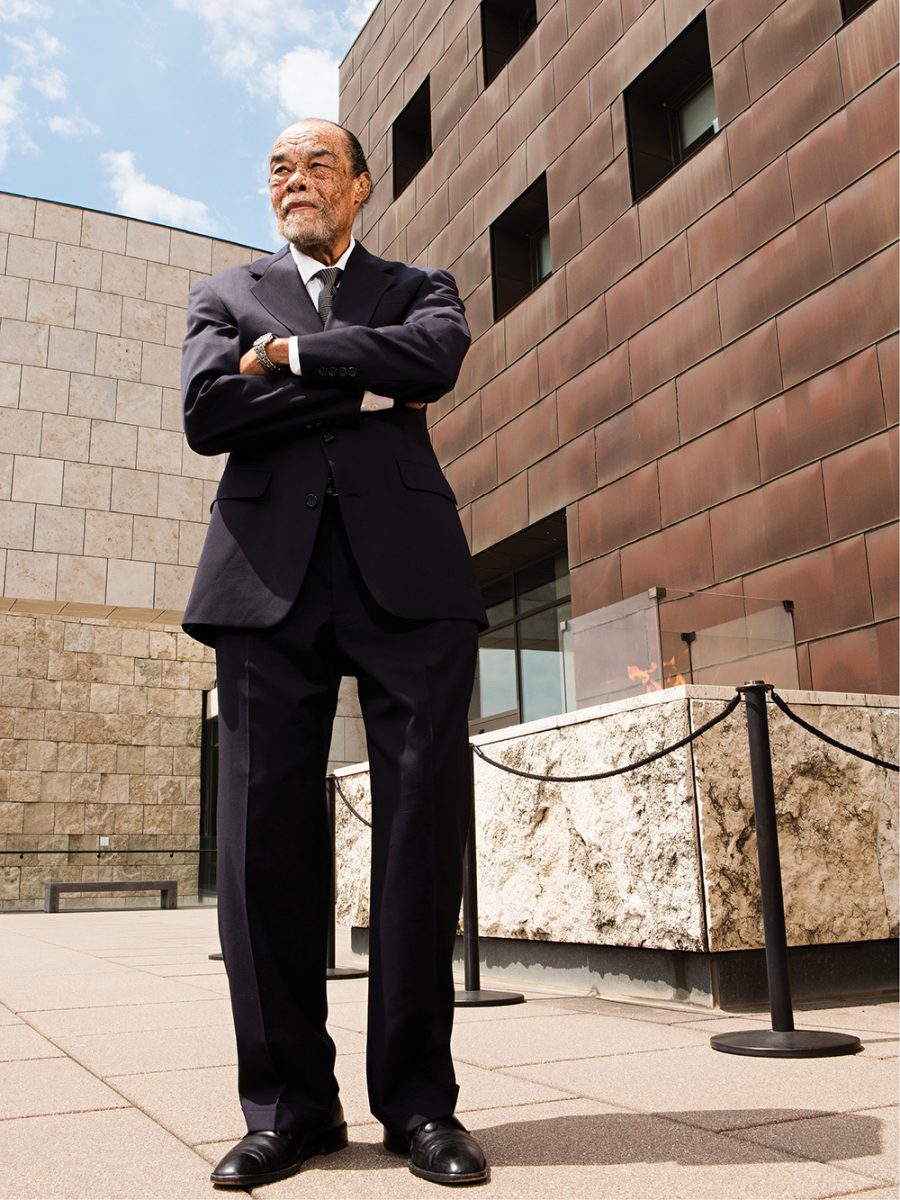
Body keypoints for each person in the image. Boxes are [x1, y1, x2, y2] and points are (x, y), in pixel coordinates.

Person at [180, 118, 489, 1189]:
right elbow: (209, 413)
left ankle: (418, 1109)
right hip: (265, 584)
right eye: (279, 168)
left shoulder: (420, 283)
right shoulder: (225, 294)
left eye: (317, 166)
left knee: (419, 839)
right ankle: (289, 1111)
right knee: (262, 849)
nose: (294, 182)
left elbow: (434, 361)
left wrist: (297, 357)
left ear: (361, 184)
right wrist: (362, 386)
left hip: (409, 578)